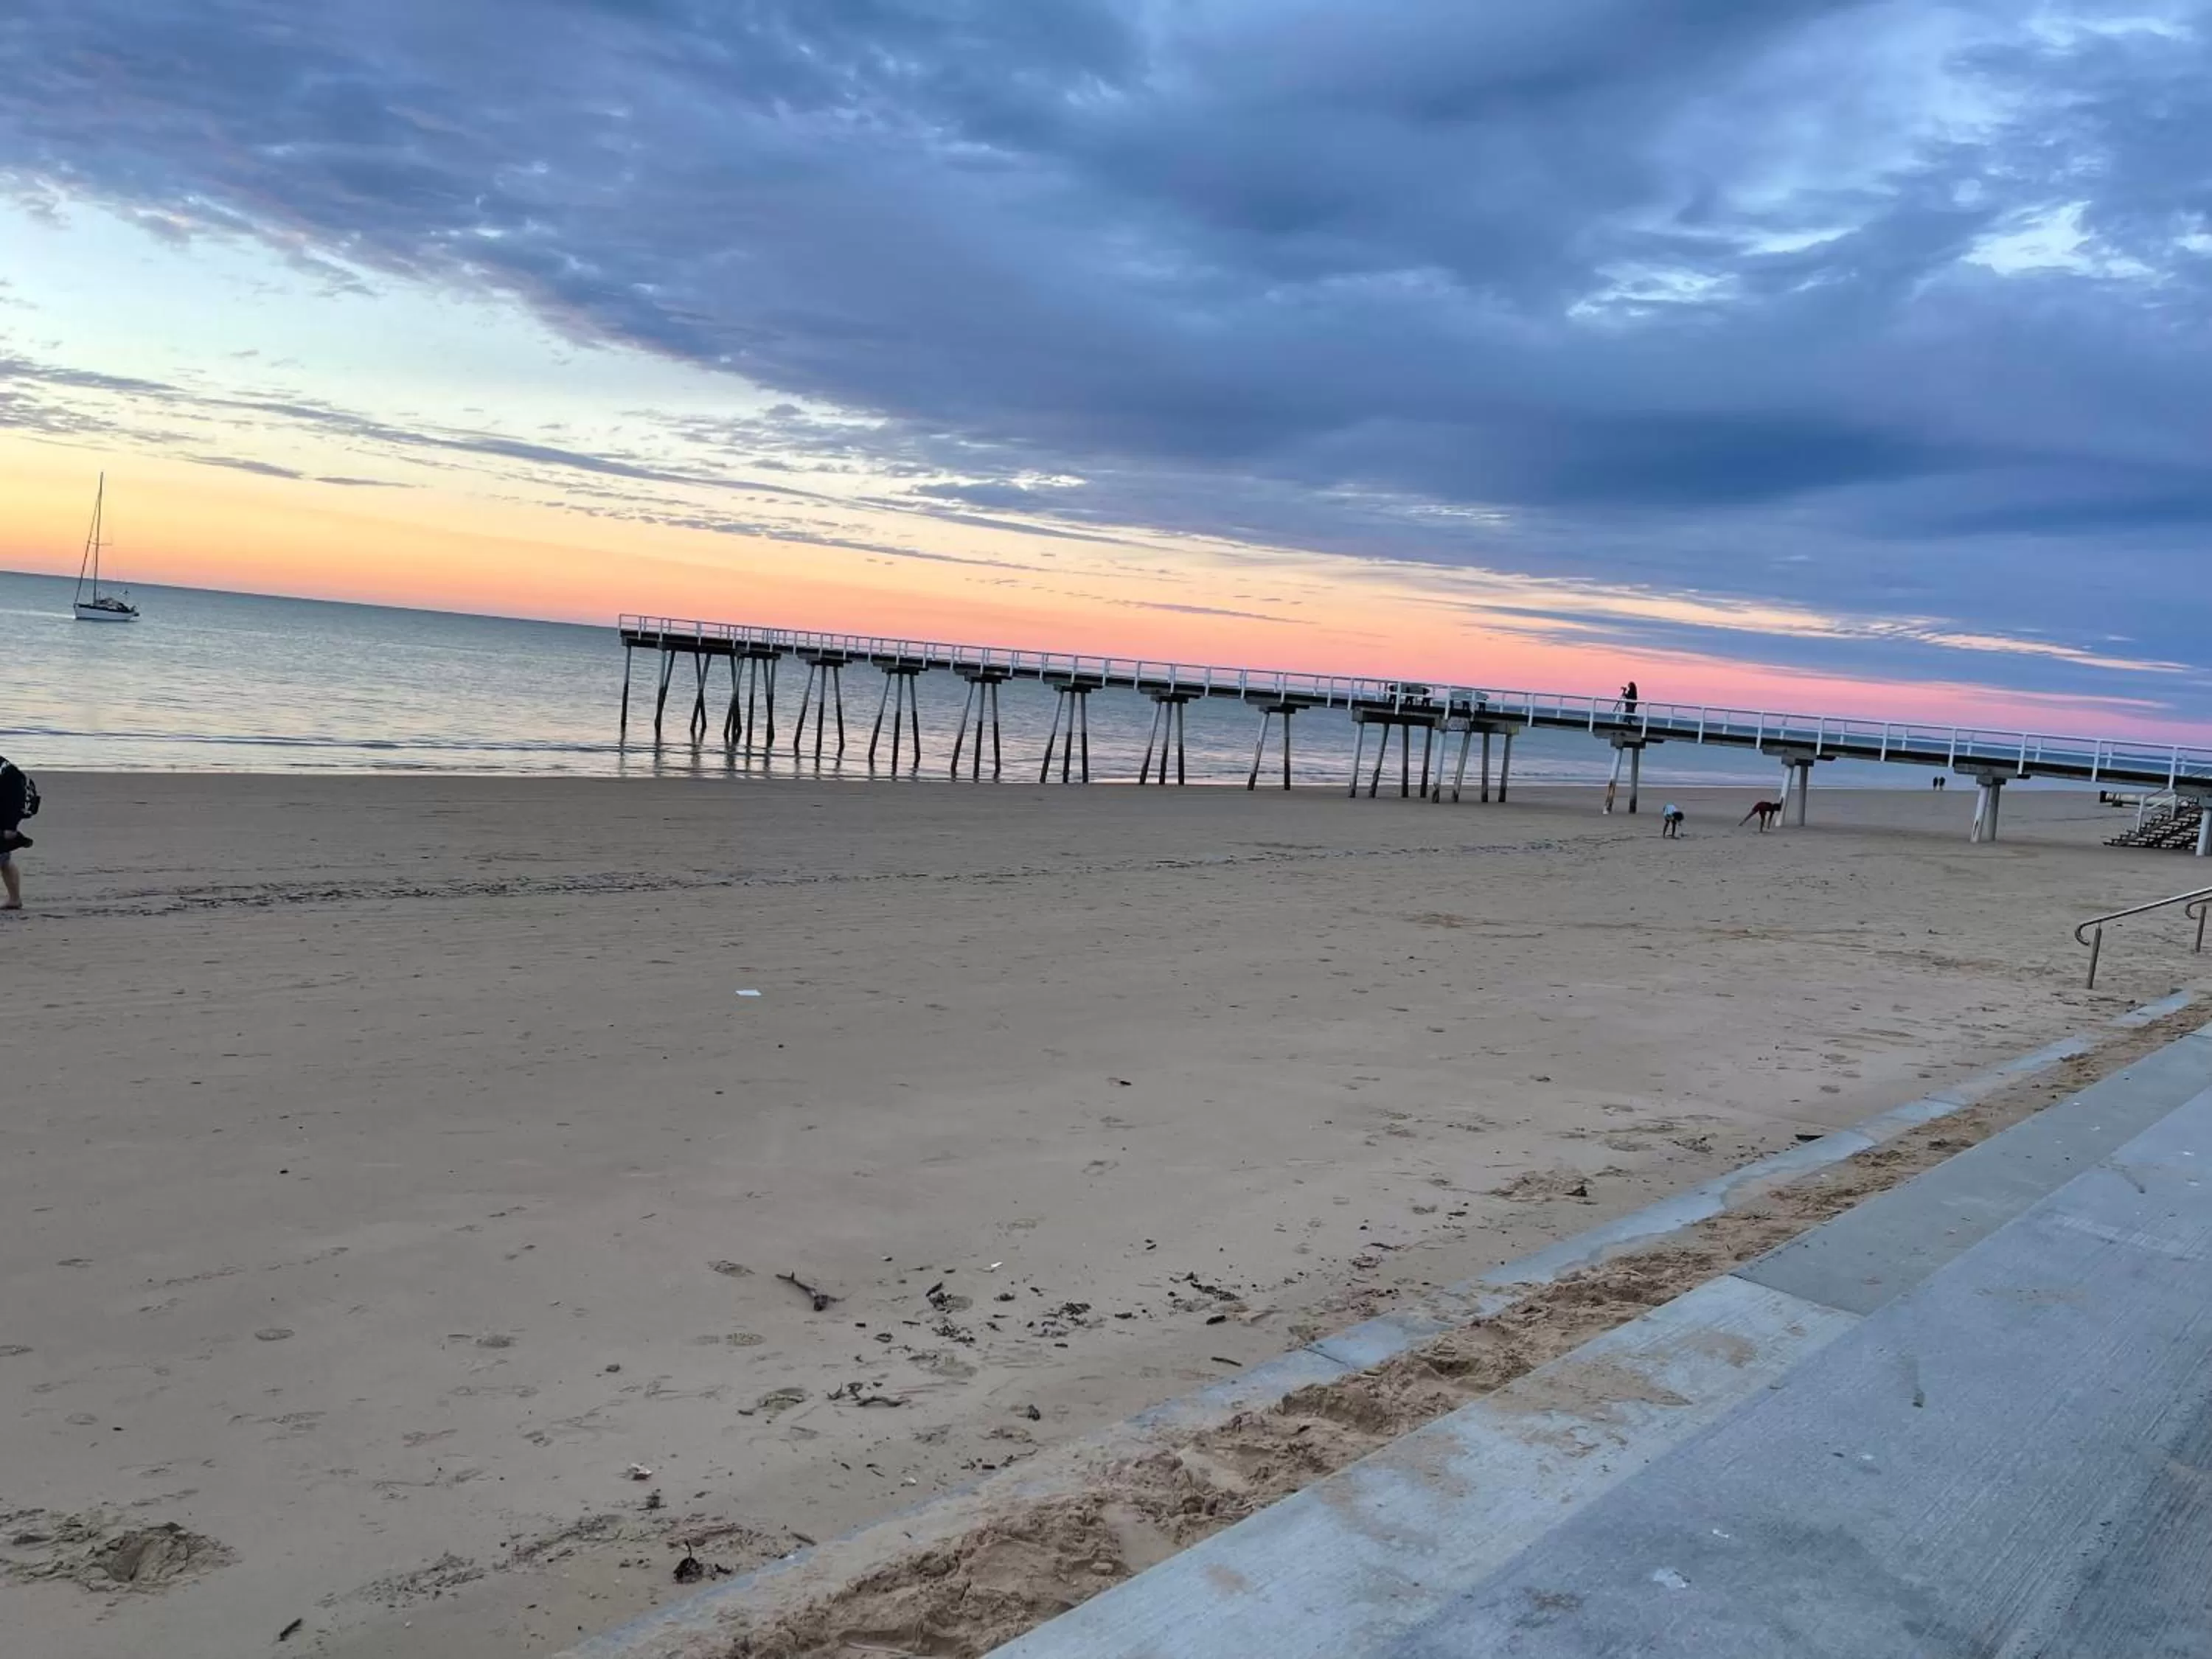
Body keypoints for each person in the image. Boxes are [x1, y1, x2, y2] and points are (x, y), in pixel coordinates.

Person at [0, 754, 35, 911]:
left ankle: (15, 899)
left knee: (4, 858)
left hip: (6, 816)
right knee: (4, 859)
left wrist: (11, 827)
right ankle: (15, 900)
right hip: (6, 813)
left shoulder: (8, 772)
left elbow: (15, 797)